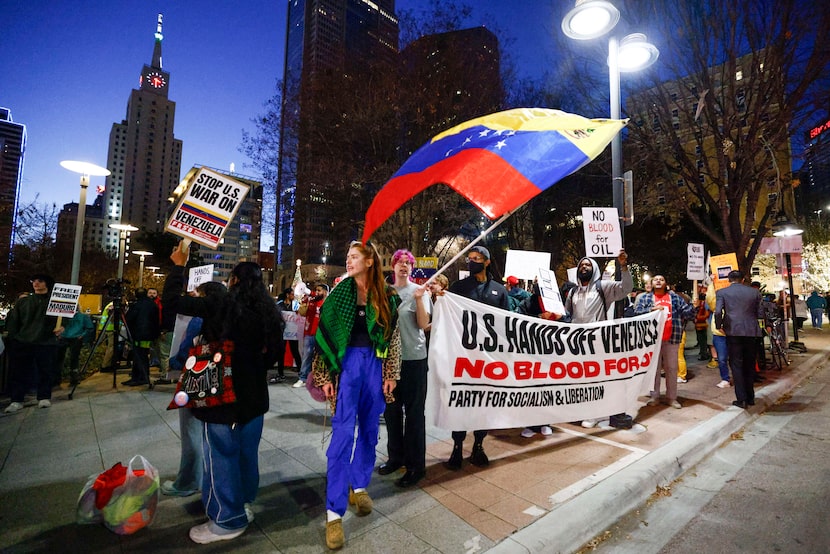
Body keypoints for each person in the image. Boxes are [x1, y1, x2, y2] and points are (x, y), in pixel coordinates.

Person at [164, 243, 282, 544]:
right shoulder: (269, 314)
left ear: (234, 281)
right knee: (246, 455)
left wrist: (178, 266)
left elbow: (172, 302)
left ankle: (227, 520)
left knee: (220, 456)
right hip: (255, 399)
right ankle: (242, 504)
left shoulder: (221, 305)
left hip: (222, 397)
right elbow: (273, 356)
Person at [311, 241, 401, 550]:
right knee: (342, 436)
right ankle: (333, 513)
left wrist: (391, 373)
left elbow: (393, 337)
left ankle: (359, 486)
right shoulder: (339, 294)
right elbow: (323, 336)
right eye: (347, 256)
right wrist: (324, 376)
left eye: (353, 257)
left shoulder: (387, 296)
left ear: (369, 261)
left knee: (371, 432)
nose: (348, 261)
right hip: (346, 368)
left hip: (374, 366)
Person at [161, 281, 229, 498]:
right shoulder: (232, 312)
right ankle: (211, 478)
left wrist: (175, 362)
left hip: (199, 373)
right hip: (223, 373)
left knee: (191, 428)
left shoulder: (201, 315)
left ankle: (188, 481)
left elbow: (186, 348)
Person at [445, 245, 509, 470]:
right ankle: (457, 445)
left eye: (477, 258)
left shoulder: (499, 291)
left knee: (484, 402)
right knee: (462, 401)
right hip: (463, 355)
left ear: (487, 261)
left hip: (488, 358)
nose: (472, 261)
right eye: (470, 258)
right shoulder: (459, 287)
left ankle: (478, 445)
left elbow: (506, 323)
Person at [378, 249, 432, 488]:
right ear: (392, 266)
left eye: (407, 263)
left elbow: (423, 324)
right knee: (391, 412)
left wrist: (419, 299)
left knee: (414, 414)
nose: (403, 266)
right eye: (399, 262)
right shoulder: (384, 292)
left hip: (414, 360)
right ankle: (395, 457)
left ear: (412, 268)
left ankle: (415, 466)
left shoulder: (420, 291)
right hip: (389, 362)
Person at [563, 251, 634, 428]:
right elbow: (567, 315)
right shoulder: (573, 292)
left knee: (595, 379)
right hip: (577, 342)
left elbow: (626, 288)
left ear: (594, 269)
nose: (584, 267)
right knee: (580, 379)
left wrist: (624, 267)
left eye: (587, 265)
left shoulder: (603, 287)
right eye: (581, 265)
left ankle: (595, 414)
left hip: (597, 342)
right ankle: (583, 410)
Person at [635, 274, 695, 409]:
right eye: (655, 279)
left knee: (672, 368)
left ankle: (671, 398)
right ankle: (654, 396)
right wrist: (652, 309)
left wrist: (693, 306)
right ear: (652, 283)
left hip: (672, 338)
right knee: (654, 370)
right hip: (652, 340)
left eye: (661, 279)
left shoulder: (675, 298)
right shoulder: (645, 298)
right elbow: (637, 313)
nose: (658, 281)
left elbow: (687, 314)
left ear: (666, 284)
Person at [4, 274, 62, 413]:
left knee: (45, 370)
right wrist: (14, 338)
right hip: (24, 341)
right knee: (20, 372)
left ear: (46, 284)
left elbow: (64, 318)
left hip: (45, 342)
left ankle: (43, 396)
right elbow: (14, 321)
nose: (36, 283)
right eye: (34, 281)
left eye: (40, 281)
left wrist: (62, 326)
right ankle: (17, 399)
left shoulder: (54, 302)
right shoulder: (24, 302)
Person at [715, 270, 764, 409]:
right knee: (749, 363)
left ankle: (741, 398)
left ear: (729, 280)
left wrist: (719, 326)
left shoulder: (722, 292)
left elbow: (718, 312)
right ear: (743, 279)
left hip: (733, 330)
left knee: (736, 364)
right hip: (751, 330)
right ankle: (750, 397)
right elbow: (760, 313)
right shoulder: (754, 292)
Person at [123, 288, 160, 386]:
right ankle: (140, 377)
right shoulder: (153, 305)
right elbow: (156, 320)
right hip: (148, 335)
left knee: (139, 356)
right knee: (143, 355)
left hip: (138, 335)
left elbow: (129, 319)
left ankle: (139, 377)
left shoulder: (136, 305)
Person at [294, 283, 329, 388]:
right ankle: (302, 378)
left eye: (319, 290)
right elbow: (302, 313)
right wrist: (304, 302)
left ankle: (320, 379)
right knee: (307, 356)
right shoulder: (311, 301)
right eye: (316, 290)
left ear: (325, 292)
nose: (317, 292)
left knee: (321, 358)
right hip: (310, 333)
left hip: (322, 335)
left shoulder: (329, 302)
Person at [56, 305, 95, 385]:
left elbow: (89, 328)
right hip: (71, 337)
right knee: (71, 358)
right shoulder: (81, 316)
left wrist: (81, 335)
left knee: (65, 358)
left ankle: (63, 378)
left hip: (69, 338)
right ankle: (71, 378)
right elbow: (90, 327)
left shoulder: (66, 315)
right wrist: (82, 335)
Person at [273, 288, 303, 383]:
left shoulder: (295, 305)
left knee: (295, 351)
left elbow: (301, 314)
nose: (293, 296)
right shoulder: (279, 305)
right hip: (282, 332)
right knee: (281, 352)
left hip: (292, 333)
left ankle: (301, 372)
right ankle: (280, 373)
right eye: (292, 294)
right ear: (287, 295)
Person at [706, 283, 731, 389]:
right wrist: (712, 283)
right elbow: (710, 298)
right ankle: (725, 379)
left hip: (733, 333)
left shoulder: (733, 301)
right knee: (722, 358)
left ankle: (739, 377)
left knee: (736, 358)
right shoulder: (715, 303)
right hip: (719, 334)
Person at [693, 289, 712, 361]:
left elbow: (705, 314)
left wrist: (697, 317)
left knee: (702, 340)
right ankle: (705, 353)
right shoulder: (704, 303)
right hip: (703, 324)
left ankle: (704, 354)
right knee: (704, 340)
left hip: (701, 324)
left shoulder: (700, 304)